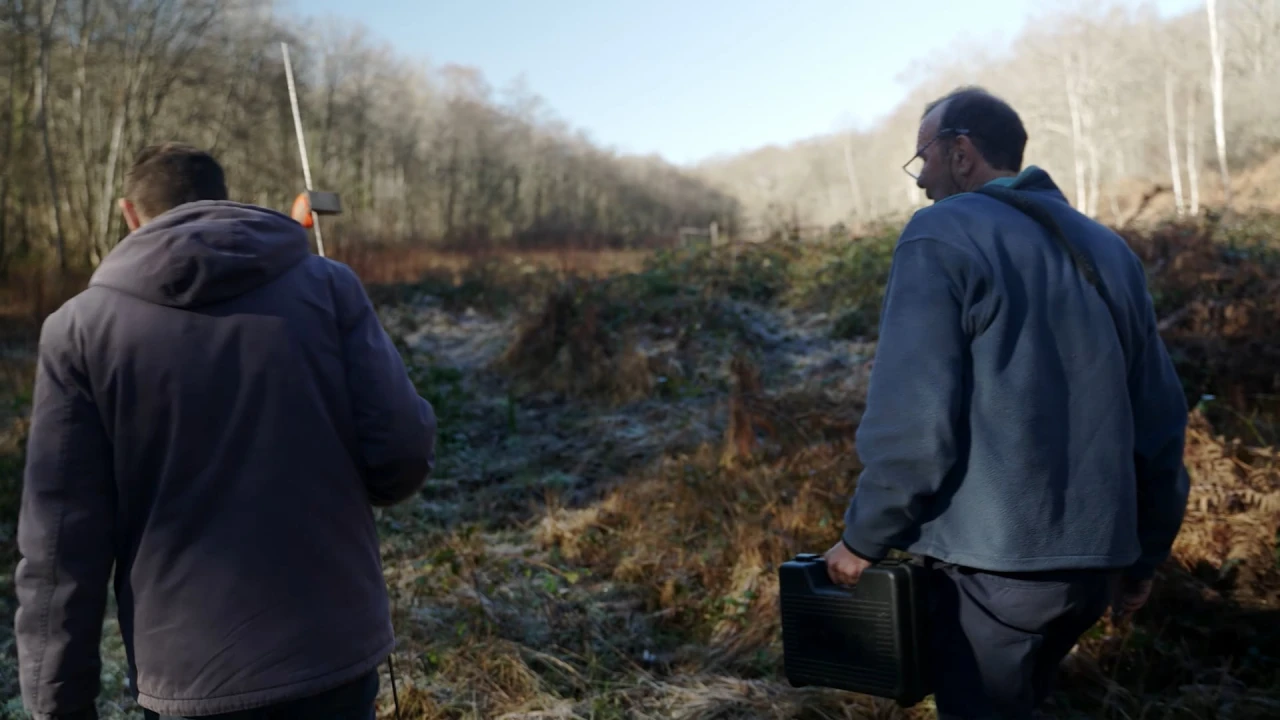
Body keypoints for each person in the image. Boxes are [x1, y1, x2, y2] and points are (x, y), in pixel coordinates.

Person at [14, 142, 437, 719]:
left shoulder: (77, 331)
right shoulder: (330, 286)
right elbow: (402, 455)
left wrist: (56, 706)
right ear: (222, 198)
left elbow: (62, 547)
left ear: (129, 214)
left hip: (190, 677)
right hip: (335, 651)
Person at [823, 87, 1190, 718]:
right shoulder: (1108, 249)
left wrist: (863, 537)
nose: (922, 184)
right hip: (1094, 567)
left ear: (961, 154)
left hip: (994, 573)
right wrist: (1145, 554)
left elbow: (914, 420)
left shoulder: (941, 232)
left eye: (924, 162)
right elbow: (1159, 417)